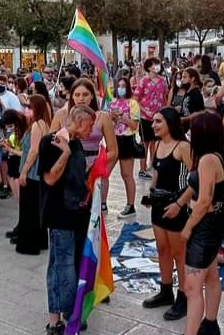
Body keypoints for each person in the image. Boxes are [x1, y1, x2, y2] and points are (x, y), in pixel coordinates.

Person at [165, 113, 224, 335]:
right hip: (213, 225)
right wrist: (180, 203)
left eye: (193, 130)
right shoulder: (217, 157)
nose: (190, 135)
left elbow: (204, 201)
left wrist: (188, 227)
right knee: (212, 277)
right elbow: (198, 190)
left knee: (192, 287)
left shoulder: (206, 161)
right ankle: (210, 327)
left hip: (204, 227)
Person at [39, 105, 96, 335]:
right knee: (60, 266)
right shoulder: (52, 141)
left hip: (78, 214)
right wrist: (64, 154)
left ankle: (70, 311)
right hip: (60, 214)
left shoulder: (77, 142)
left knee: (72, 264)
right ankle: (55, 321)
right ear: (79, 121)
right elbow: (51, 178)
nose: (91, 130)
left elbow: (77, 175)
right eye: (90, 125)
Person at [141, 107, 192, 320]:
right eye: (153, 121)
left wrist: (179, 205)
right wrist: (150, 195)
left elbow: (195, 181)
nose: (153, 125)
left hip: (176, 206)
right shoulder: (159, 144)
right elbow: (157, 172)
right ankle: (165, 290)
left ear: (170, 123)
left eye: (158, 121)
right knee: (162, 249)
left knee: (179, 254)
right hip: (160, 205)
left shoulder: (183, 147)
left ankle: (184, 297)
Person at [50, 78, 118, 212]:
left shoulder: (102, 117)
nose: (81, 99)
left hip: (93, 170)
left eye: (85, 94)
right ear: (71, 96)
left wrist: (98, 169)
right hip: (67, 170)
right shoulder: (61, 115)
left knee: (92, 216)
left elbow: (114, 151)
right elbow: (50, 142)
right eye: (77, 95)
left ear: (92, 95)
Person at [13, 94, 51, 255]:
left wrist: (24, 172)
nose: (26, 109)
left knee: (29, 210)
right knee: (35, 209)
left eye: (29, 107)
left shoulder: (37, 125)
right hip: (37, 172)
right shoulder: (43, 124)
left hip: (32, 172)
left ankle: (29, 243)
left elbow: (33, 150)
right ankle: (39, 241)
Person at [108, 77, 140, 219]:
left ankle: (130, 205)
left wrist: (122, 116)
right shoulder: (111, 102)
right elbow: (107, 124)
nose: (121, 88)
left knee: (126, 174)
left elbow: (134, 126)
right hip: (113, 139)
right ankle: (102, 203)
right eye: (118, 85)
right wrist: (112, 118)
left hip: (126, 140)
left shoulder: (133, 103)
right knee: (104, 172)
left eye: (123, 85)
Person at [134, 57, 169, 180]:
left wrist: (165, 110)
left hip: (159, 117)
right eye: (154, 64)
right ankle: (142, 169)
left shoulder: (163, 81)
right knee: (145, 143)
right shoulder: (144, 81)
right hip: (145, 117)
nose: (157, 67)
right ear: (149, 67)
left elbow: (165, 97)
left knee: (156, 142)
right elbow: (136, 99)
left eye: (158, 64)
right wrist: (144, 110)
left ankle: (153, 165)